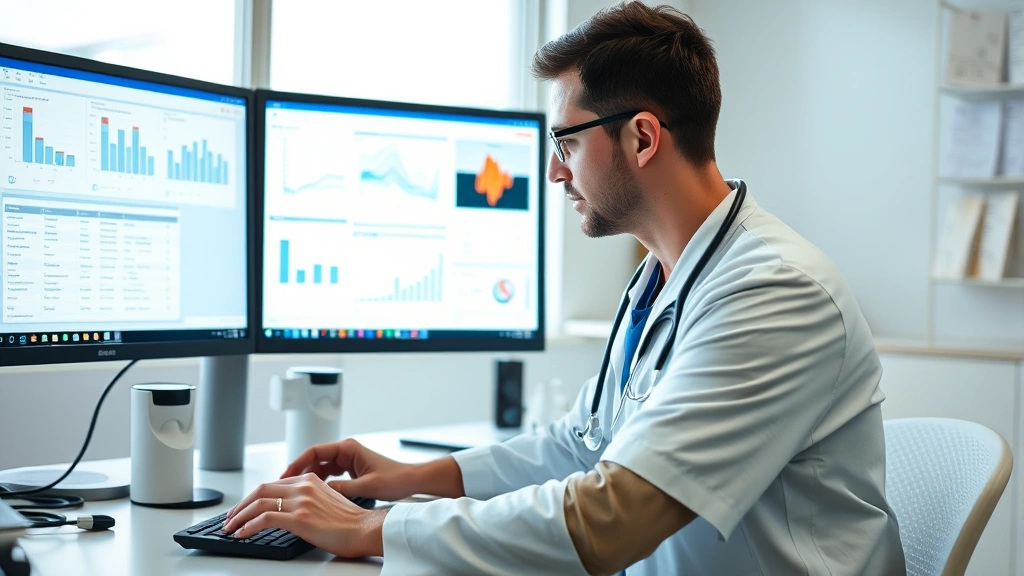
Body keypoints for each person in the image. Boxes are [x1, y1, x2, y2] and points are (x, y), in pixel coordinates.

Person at [223, 3, 907, 574]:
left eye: (567, 142)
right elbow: (579, 446)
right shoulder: (661, 277)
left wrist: (374, 530)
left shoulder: (774, 293)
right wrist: (396, 478)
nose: (554, 171)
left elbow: (611, 520)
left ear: (642, 137)